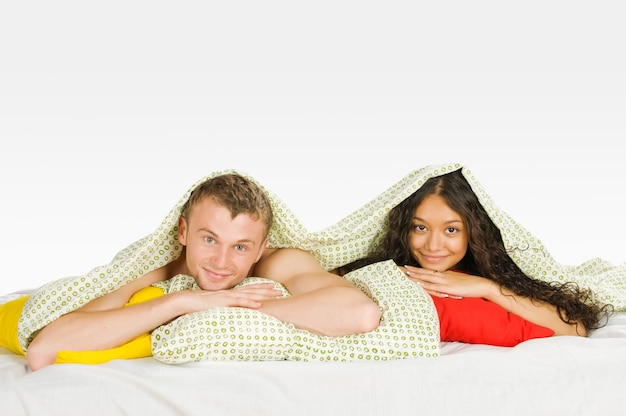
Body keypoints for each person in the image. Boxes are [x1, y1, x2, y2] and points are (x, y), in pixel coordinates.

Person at [24, 173, 382, 370]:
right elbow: (47, 344)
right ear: (182, 232)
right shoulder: (153, 268)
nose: (222, 262)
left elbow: (360, 313)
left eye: (240, 246)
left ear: (260, 247)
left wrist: (226, 305)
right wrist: (179, 303)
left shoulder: (279, 262)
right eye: (209, 239)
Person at [337, 169, 612, 344]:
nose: (433, 245)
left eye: (451, 230)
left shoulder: (498, 269)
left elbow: (573, 328)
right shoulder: (385, 268)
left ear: (474, 232)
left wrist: (487, 288)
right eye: (420, 227)